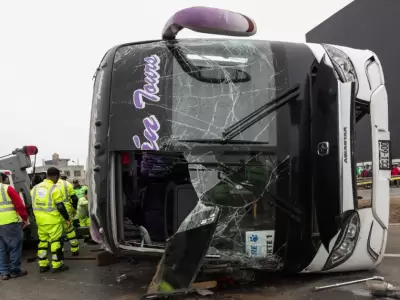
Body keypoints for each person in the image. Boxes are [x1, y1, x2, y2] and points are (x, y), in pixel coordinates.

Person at [31, 167, 70, 273]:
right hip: (53, 220)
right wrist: (67, 218)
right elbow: (60, 206)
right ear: (56, 176)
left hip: (40, 221)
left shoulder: (34, 188)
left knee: (43, 242)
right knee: (56, 242)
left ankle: (42, 265)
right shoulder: (54, 188)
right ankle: (57, 265)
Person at [0, 172, 29, 280]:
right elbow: (19, 205)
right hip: (9, 223)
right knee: (15, 247)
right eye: (6, 178)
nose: (7, 180)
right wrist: (25, 219)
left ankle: (4, 273)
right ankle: (15, 270)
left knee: (1, 249)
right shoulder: (7, 188)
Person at [57, 176, 80, 256]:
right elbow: (75, 199)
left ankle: (60, 251)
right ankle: (75, 250)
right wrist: (74, 209)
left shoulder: (49, 185)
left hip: (54, 211)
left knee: (57, 233)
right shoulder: (66, 184)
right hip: (67, 209)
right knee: (70, 230)